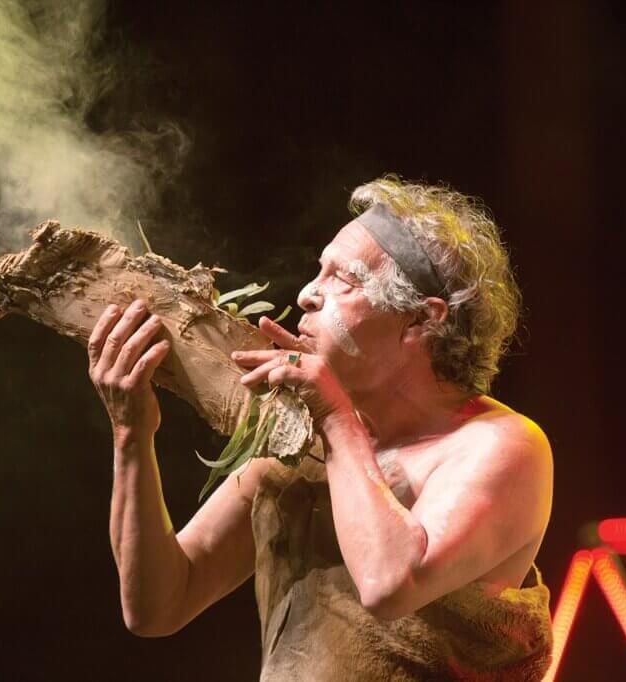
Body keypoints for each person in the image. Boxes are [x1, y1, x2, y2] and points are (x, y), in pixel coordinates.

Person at [87, 176, 554, 680]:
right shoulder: (301, 441)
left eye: (343, 280)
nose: (309, 294)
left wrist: (334, 417)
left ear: (422, 320)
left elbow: (388, 584)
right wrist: (132, 434)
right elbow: (159, 605)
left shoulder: (501, 445)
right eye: (318, 272)